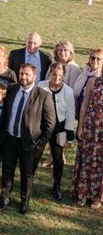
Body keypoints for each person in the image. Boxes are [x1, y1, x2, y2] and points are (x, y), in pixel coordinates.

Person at [0, 64, 56, 215]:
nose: (23, 77)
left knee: (27, 173)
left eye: (27, 74)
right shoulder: (12, 89)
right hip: (10, 138)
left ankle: (24, 200)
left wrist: (41, 142)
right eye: (21, 73)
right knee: (7, 169)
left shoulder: (43, 96)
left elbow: (50, 123)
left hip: (29, 142)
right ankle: (5, 197)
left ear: (34, 77)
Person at [37, 63, 75, 201]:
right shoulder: (41, 85)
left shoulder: (68, 91)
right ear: (50, 74)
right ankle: (28, 180)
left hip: (60, 127)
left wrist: (69, 138)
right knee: (36, 153)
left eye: (60, 75)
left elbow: (70, 114)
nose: (57, 77)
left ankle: (57, 185)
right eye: (54, 74)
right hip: (42, 126)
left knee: (58, 157)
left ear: (63, 75)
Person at [73, 73, 103, 208]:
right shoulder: (93, 81)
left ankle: (97, 196)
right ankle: (83, 193)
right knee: (86, 158)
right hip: (90, 126)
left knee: (100, 162)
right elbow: (84, 105)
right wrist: (80, 126)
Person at [73, 48, 103, 121]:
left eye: (98, 59)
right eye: (92, 58)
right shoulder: (84, 73)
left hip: (93, 114)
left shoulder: (100, 78)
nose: (95, 61)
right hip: (79, 108)